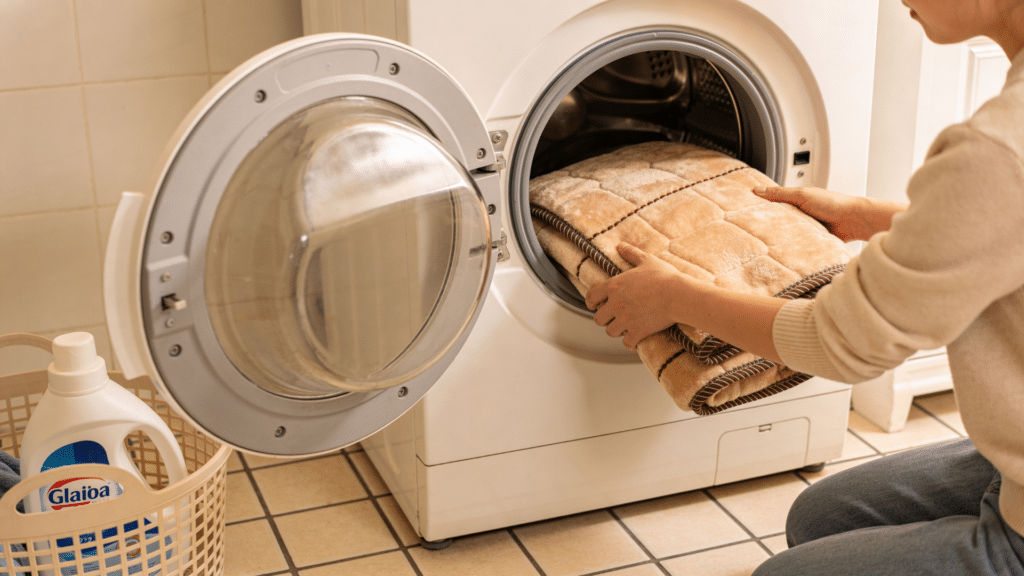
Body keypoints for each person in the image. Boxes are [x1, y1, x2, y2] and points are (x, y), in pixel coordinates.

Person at [584, 1, 1024, 574]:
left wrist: (676, 297)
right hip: (1011, 462)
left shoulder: (999, 146)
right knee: (816, 518)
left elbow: (843, 340)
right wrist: (872, 217)